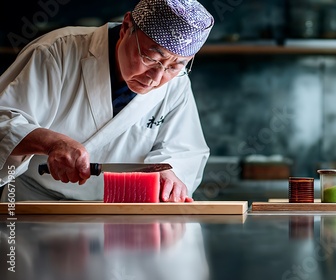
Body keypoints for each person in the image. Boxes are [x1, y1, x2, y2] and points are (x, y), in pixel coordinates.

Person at [0, 0, 214, 202]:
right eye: (150, 58)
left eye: (174, 66)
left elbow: (185, 150)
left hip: (118, 210)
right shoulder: (56, 51)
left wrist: (169, 172)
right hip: (36, 201)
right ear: (126, 26)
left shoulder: (177, 83)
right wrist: (51, 143)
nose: (156, 78)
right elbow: (4, 121)